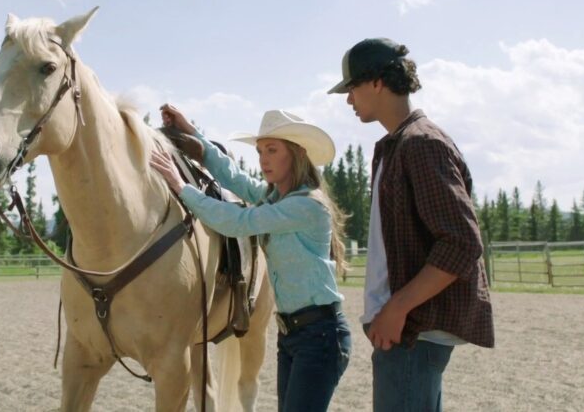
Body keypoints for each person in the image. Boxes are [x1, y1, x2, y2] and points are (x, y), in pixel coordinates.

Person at [327, 38, 494, 411]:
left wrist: (397, 308)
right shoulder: (395, 145)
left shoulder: (421, 144)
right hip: (405, 331)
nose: (348, 99)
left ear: (376, 82)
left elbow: (462, 243)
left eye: (351, 87)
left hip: (412, 333)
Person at [150, 105, 351, 412]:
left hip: (319, 337)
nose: (263, 159)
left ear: (296, 154)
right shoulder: (278, 198)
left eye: (272, 150)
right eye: (260, 151)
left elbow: (238, 222)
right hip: (295, 335)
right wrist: (192, 132)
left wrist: (181, 187)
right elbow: (235, 178)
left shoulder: (306, 206)